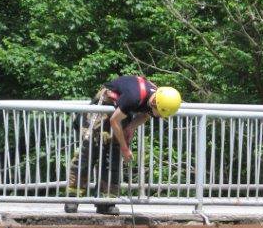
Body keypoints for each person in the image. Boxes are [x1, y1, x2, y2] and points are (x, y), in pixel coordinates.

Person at [65, 77, 182, 215]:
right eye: (160, 113)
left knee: (112, 157)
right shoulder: (134, 97)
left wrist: (130, 128)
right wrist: (125, 149)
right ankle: (72, 197)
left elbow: (145, 116)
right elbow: (115, 120)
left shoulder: (156, 97)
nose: (159, 117)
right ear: (155, 102)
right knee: (89, 150)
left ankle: (106, 202)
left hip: (121, 110)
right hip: (104, 105)